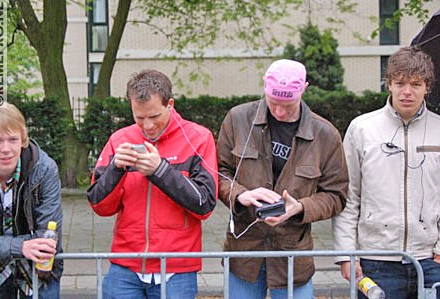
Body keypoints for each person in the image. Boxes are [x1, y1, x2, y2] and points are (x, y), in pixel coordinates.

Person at [217, 59, 349, 298]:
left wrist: (300, 207)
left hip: (293, 256)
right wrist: (241, 195)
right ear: (264, 89)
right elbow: (218, 173)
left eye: (288, 105)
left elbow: (337, 195)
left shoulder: (325, 134)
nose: (279, 111)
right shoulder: (238, 119)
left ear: (304, 89)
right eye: (273, 102)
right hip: (244, 252)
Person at [87, 69, 218, 299]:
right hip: (126, 264)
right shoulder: (119, 140)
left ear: (170, 104)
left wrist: (161, 171)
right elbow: (99, 205)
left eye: (154, 116)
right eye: (139, 118)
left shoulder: (199, 138)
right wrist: (115, 169)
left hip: (176, 266)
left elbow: (205, 204)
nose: (147, 126)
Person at [333, 46, 440, 298]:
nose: (407, 92)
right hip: (376, 261)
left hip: (431, 260)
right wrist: (346, 254)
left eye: (415, 84)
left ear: (427, 87)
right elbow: (348, 196)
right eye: (400, 82)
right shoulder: (362, 129)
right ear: (388, 84)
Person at [0, 103, 62, 299]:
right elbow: (33, 242)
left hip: (38, 270)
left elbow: (47, 235)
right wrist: (19, 247)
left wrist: (1, 244)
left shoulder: (44, 169)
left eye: (13, 139)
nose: (6, 149)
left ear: (23, 140)